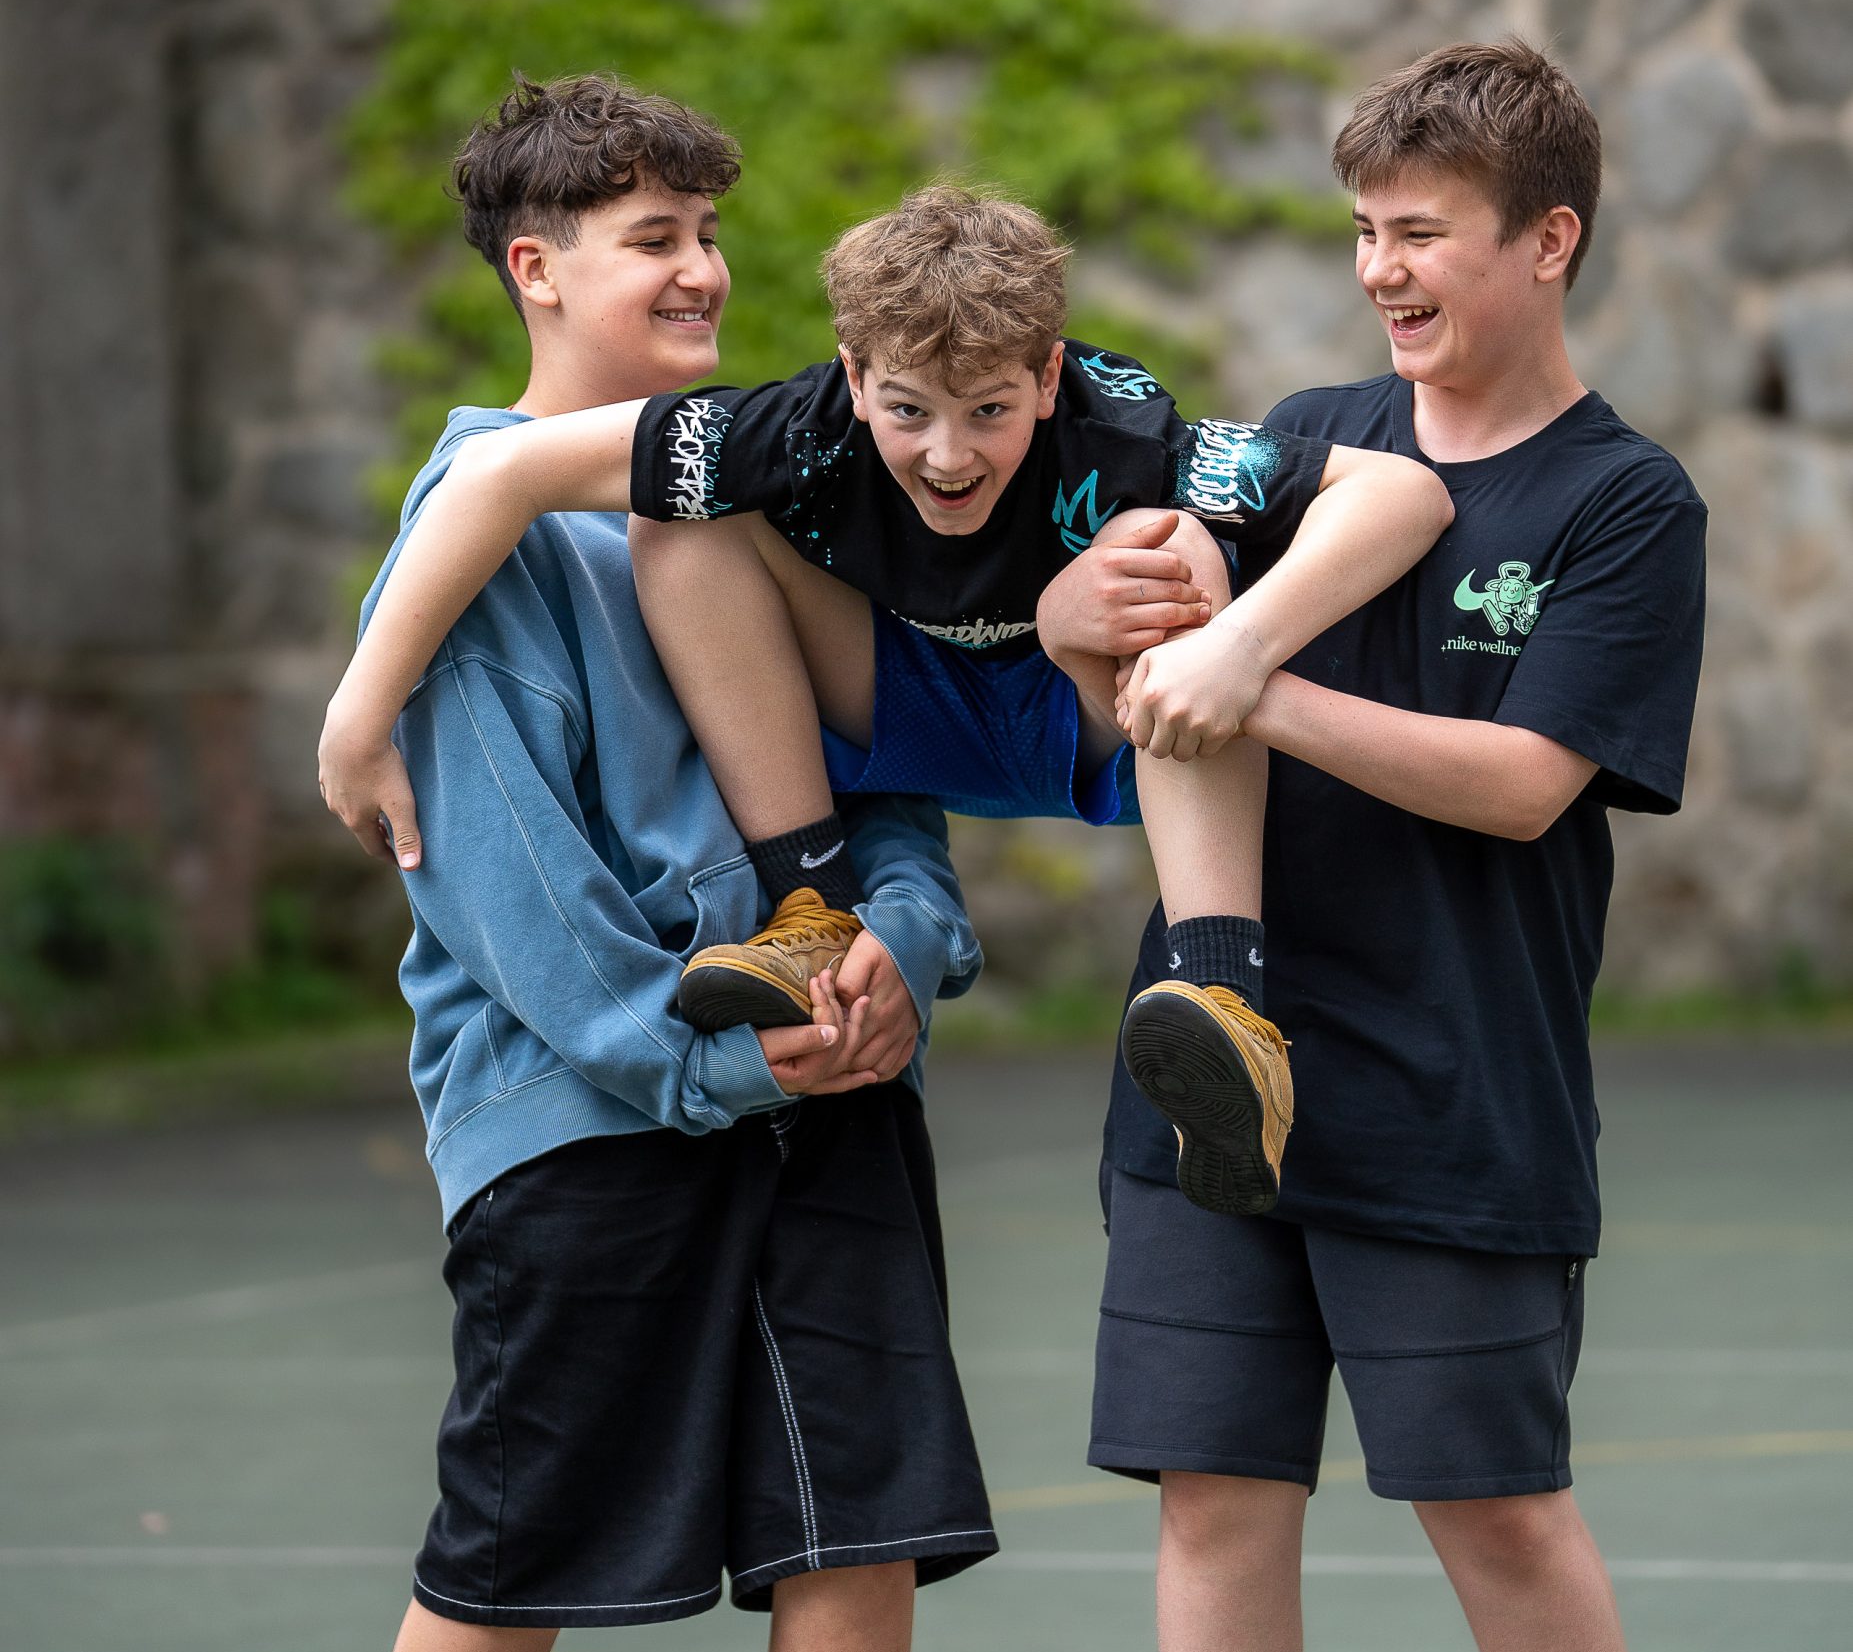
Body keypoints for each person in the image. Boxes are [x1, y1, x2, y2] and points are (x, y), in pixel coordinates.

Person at [299, 74, 1000, 1652]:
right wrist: (710, 1054)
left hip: (817, 1085)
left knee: (853, 1525)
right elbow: (508, 892)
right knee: (511, 1538)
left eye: (707, 232)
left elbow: (886, 785)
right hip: (587, 1113)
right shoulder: (476, 532)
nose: (702, 270)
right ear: (535, 270)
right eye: (650, 239)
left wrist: (902, 952)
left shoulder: (769, 485)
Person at [1087, 38, 1735, 1652]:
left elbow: (1523, 781)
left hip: (1456, 1087)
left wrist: (1255, 683)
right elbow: (1139, 667)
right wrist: (1104, 628)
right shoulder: (1295, 444)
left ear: (1545, 240)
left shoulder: (1620, 502)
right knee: (1212, 1495)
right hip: (1220, 1062)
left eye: (1422, 232)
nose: (1380, 268)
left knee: (1496, 1514)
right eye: (1362, 230)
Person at [320, 188, 1454, 1221]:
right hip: (900, 705)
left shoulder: (1119, 436)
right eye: (907, 410)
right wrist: (359, 721)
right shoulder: (798, 431)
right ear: (854, 376)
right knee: (680, 520)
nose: (948, 456)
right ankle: (811, 904)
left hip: (1094, 711)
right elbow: (497, 472)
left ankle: (1219, 992)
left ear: (1047, 378)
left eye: (989, 410)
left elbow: (1402, 492)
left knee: (1170, 545)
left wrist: (1241, 651)